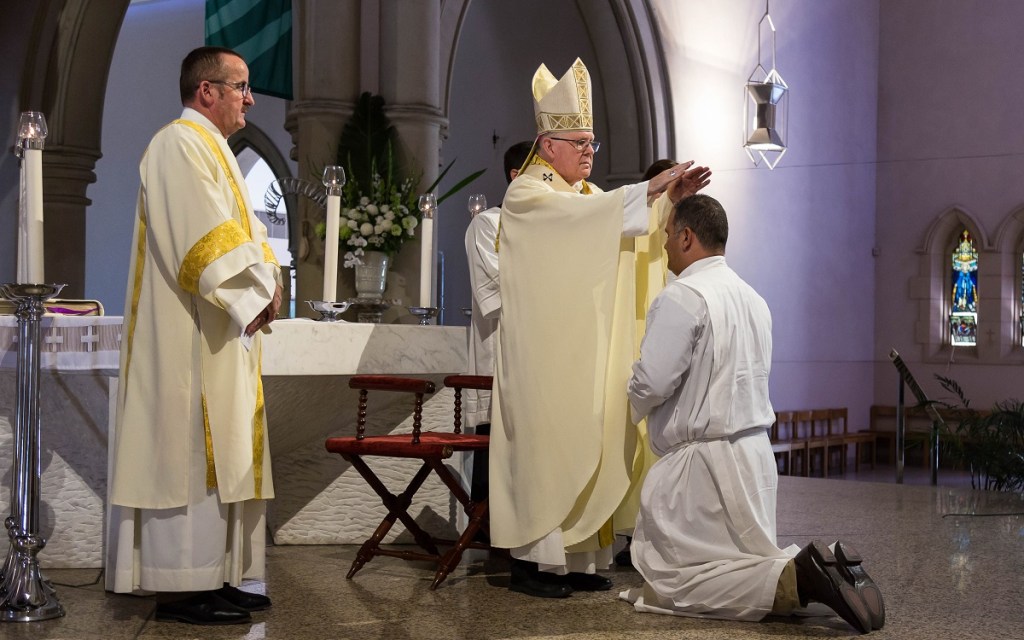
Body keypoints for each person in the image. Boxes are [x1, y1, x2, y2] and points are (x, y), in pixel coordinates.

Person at [489, 57, 711, 599]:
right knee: (547, 449)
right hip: (543, 355)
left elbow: (624, 233)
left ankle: (576, 558)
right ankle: (532, 563)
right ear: (549, 145)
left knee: (588, 440)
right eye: (581, 142)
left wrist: (667, 204)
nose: (590, 151)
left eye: (594, 143)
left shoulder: (587, 199)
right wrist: (647, 190)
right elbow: (592, 224)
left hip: (585, 351)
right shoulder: (527, 196)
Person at [621, 194, 885, 634]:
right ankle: (814, 568)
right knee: (741, 559)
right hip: (754, 458)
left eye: (668, 235)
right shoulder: (754, 299)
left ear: (686, 237)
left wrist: (624, 402)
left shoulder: (683, 296)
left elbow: (652, 381)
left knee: (675, 580)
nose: (665, 245)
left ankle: (803, 577)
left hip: (701, 470)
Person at [106, 46, 283, 626]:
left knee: (221, 455)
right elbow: (203, 239)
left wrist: (269, 285)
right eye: (241, 88)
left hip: (219, 330)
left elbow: (251, 234)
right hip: (187, 336)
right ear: (206, 91)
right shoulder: (178, 144)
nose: (250, 99)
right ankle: (182, 587)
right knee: (188, 456)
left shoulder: (216, 151)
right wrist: (252, 294)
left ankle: (218, 574)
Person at [463, 140, 533, 506]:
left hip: (539, 369)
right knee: (493, 468)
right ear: (517, 176)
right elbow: (498, 294)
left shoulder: (552, 229)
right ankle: (486, 537)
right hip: (499, 363)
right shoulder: (488, 225)